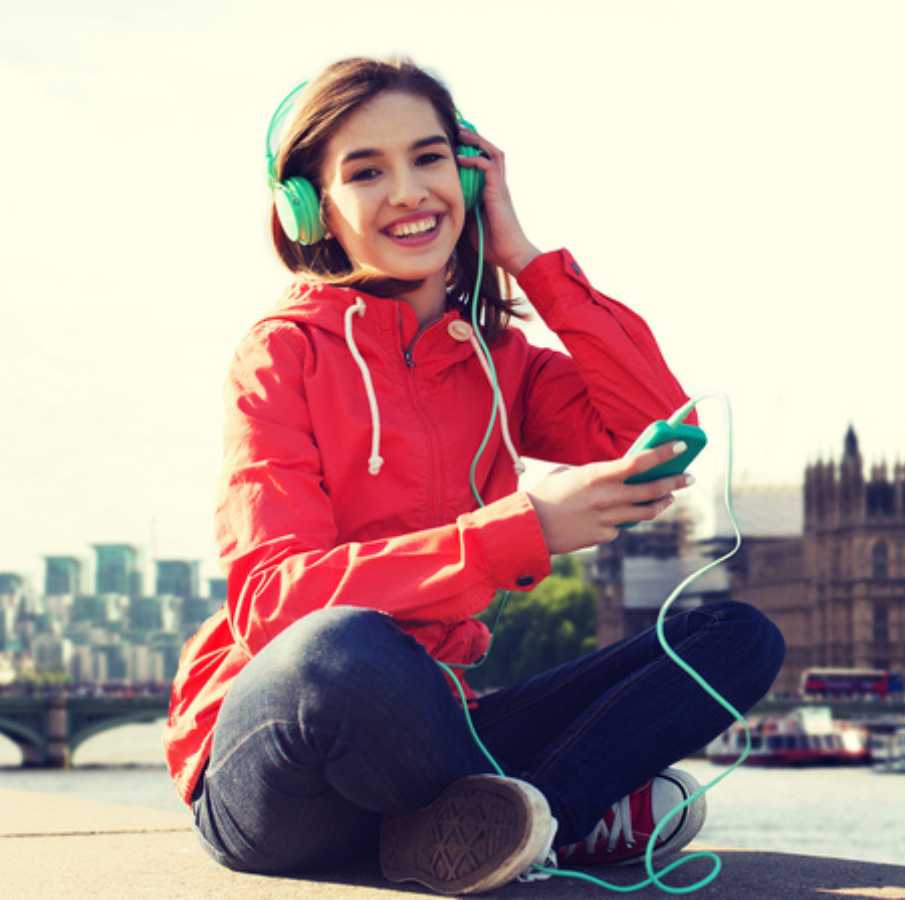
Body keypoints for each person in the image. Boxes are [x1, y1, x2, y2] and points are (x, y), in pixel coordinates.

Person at [162, 56, 785, 895]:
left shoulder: (500, 364)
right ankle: (560, 811)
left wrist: (525, 255)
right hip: (288, 758)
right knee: (342, 648)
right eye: (367, 171)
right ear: (310, 206)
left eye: (428, 159)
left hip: (442, 733)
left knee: (735, 640)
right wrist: (524, 531)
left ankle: (513, 821)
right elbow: (277, 603)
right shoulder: (282, 353)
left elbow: (657, 428)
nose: (410, 191)